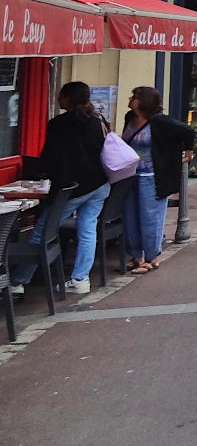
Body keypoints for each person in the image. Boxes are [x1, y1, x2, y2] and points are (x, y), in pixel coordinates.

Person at [10, 82, 111, 297]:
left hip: (72, 189)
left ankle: (19, 281)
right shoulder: (97, 121)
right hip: (99, 185)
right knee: (87, 229)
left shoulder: (58, 125)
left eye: (60, 96)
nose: (58, 99)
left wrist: (43, 176)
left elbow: (49, 158)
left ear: (67, 98)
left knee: (42, 230)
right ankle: (80, 278)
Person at [121, 86, 194, 274]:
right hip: (129, 175)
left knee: (150, 217)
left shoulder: (160, 122)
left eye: (134, 97)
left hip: (151, 176)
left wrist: (188, 151)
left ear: (144, 101)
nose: (130, 99)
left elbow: (187, 131)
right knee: (130, 216)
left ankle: (152, 257)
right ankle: (137, 256)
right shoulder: (129, 118)